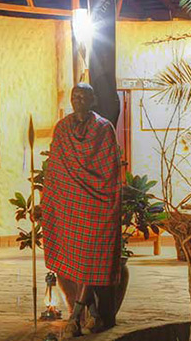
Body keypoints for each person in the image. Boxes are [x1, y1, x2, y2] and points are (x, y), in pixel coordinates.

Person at [41, 83, 122, 337]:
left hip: (96, 205)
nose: (79, 101)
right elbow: (55, 167)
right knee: (72, 261)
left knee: (89, 259)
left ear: (93, 100)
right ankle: (93, 314)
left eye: (84, 97)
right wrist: (50, 199)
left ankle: (75, 316)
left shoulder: (103, 128)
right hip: (69, 204)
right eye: (75, 96)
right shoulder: (62, 128)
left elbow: (110, 168)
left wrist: (106, 199)